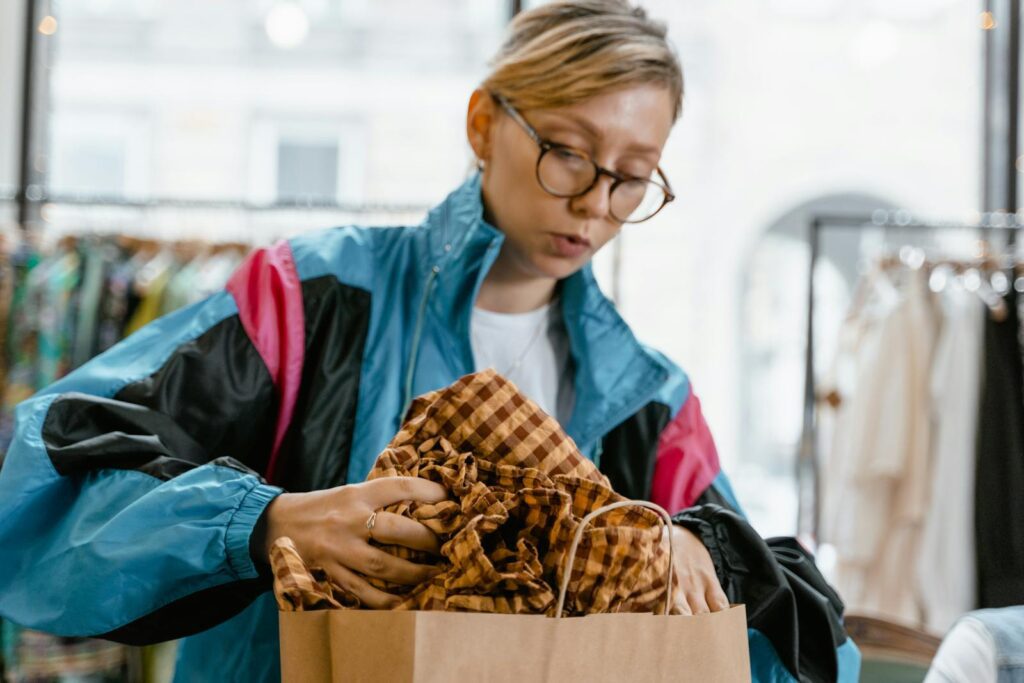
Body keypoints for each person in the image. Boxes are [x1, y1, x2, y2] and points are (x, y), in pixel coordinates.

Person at [0, 2, 850, 681]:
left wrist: (705, 547)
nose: (596, 200)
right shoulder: (313, 297)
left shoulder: (646, 397)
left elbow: (810, 636)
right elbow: (47, 473)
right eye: (569, 153)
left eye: (633, 176)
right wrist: (268, 521)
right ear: (484, 124)